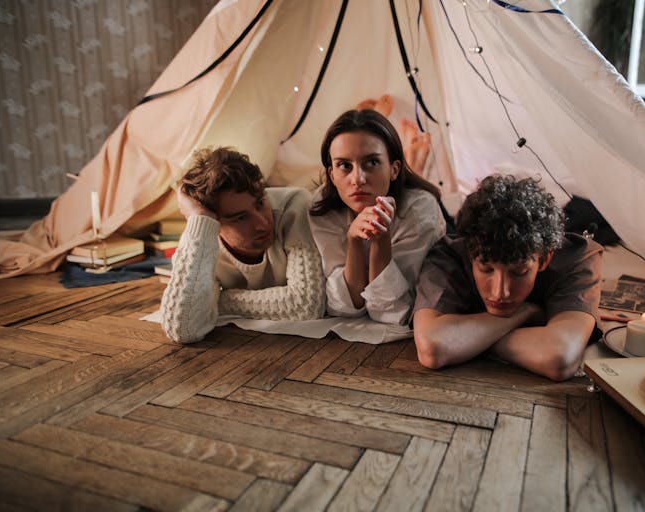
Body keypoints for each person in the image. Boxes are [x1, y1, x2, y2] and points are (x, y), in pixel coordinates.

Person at [413, 174, 603, 381]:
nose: (500, 292)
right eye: (486, 269)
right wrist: (524, 312)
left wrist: (467, 341)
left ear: (545, 258)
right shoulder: (448, 256)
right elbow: (433, 349)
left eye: (519, 273)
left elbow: (559, 359)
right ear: (470, 253)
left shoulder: (578, 258)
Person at [160, 146, 325, 343]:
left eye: (260, 204)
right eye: (240, 218)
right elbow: (184, 328)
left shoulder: (294, 205)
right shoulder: (203, 237)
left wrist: (221, 302)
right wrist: (200, 218)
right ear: (215, 222)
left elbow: (307, 304)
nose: (262, 224)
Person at [309, 109, 447, 325]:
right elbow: (345, 308)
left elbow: (394, 313)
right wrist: (353, 241)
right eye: (344, 165)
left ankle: (415, 164)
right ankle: (415, 163)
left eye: (371, 163)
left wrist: (381, 240)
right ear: (332, 175)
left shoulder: (420, 210)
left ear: (394, 168)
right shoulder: (321, 207)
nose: (358, 179)